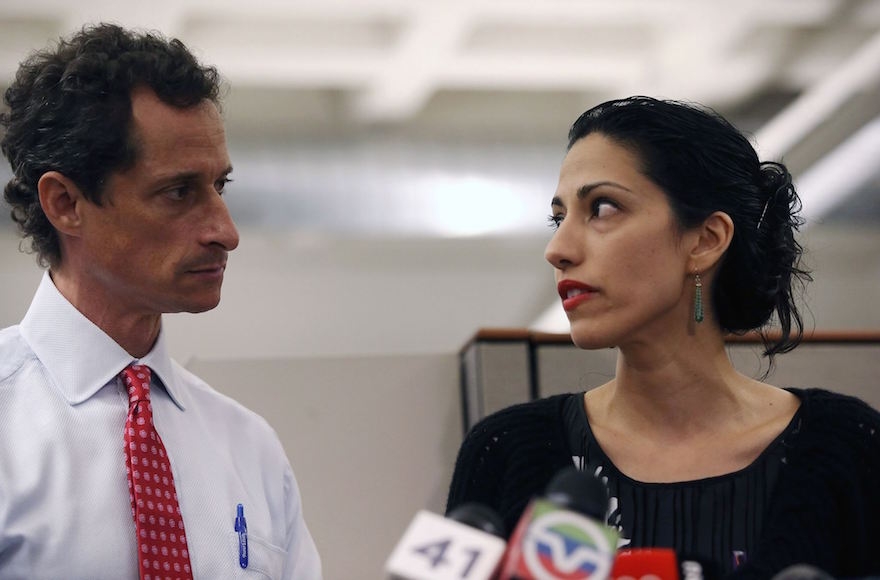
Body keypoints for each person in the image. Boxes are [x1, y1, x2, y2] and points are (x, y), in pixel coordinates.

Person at [446, 96, 880, 579]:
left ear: (706, 240)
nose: (558, 249)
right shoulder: (505, 450)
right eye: (558, 217)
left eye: (602, 207)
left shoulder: (849, 447)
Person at [0, 24, 321, 579]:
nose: (226, 231)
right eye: (178, 192)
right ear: (65, 202)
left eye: (219, 187)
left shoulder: (250, 448)